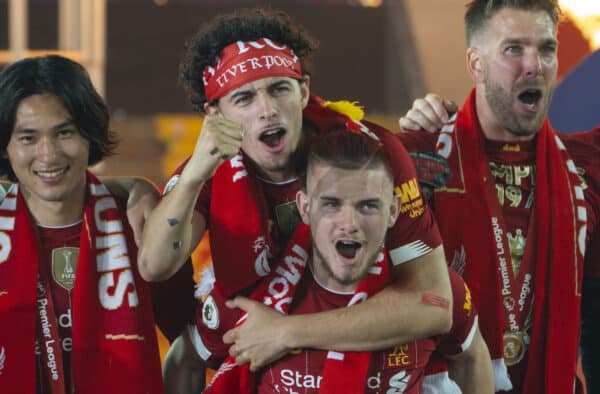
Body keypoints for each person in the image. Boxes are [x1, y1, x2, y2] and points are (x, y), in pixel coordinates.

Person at [137, 8, 452, 392]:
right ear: (215, 114)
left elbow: (433, 304)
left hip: (373, 365)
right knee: (190, 347)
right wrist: (192, 178)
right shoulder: (205, 173)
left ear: (303, 91)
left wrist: (286, 333)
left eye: (278, 89)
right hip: (265, 361)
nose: (266, 110)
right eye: (244, 98)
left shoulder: (373, 154)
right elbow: (154, 266)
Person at [396, 1, 600, 392]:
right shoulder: (417, 160)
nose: (534, 64)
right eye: (514, 49)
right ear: (476, 64)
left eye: (546, 49)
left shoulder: (587, 169)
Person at [201, 130, 493, 393]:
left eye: (368, 205)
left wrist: (285, 333)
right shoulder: (254, 294)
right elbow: (184, 359)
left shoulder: (433, 289)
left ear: (394, 211)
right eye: (331, 204)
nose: (349, 224)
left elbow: (472, 357)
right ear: (304, 207)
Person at [0, 55, 187, 393]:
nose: (48, 154)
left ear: (89, 134)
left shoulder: (139, 225)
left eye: (64, 133)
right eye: (28, 138)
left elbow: (198, 336)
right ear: (6, 148)